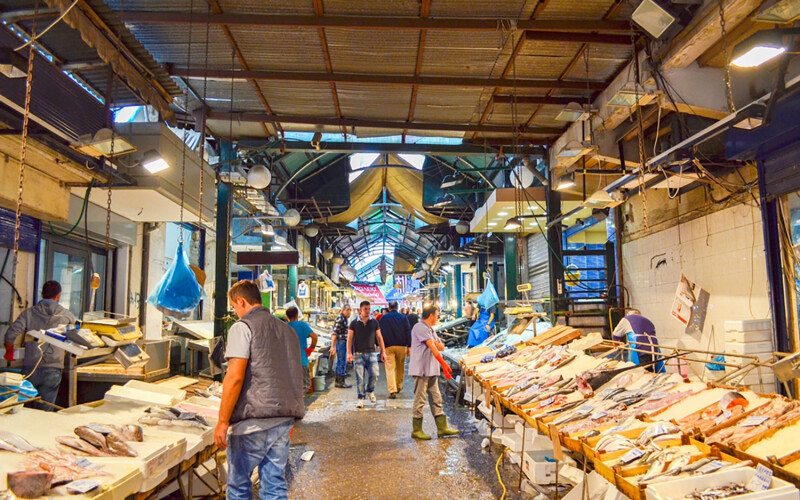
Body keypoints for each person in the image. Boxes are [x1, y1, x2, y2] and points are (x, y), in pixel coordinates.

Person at [214, 280, 305, 500]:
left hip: (253, 423)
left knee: (239, 488)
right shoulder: (288, 330)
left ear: (241, 301)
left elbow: (235, 377)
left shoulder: (242, 327)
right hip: (283, 420)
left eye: (234, 308)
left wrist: (223, 421)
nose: (235, 313)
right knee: (274, 487)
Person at [4, 281, 75, 409]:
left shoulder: (29, 313)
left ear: (42, 294)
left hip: (31, 368)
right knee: (45, 410)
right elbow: (75, 338)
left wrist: (9, 351)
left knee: (24, 407)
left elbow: (10, 334)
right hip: (53, 368)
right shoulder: (67, 316)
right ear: (58, 295)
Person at [409, 305, 459, 440]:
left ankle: (442, 428)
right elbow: (433, 347)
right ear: (431, 315)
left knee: (436, 398)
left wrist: (435, 344)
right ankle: (416, 430)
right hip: (421, 370)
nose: (437, 317)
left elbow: (441, 346)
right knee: (420, 399)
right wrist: (444, 363)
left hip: (431, 370)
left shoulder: (431, 329)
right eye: (436, 315)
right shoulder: (419, 327)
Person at [347, 300, 387, 409]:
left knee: (374, 374)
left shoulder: (374, 322)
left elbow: (379, 337)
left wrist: (383, 352)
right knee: (360, 378)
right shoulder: (354, 323)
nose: (368, 311)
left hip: (371, 353)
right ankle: (361, 398)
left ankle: (370, 390)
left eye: (369, 309)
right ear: (360, 310)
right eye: (365, 309)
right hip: (358, 354)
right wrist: (349, 353)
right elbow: (349, 339)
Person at [378, 301, 411, 399]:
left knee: (390, 368)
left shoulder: (383, 318)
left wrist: (380, 346)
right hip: (401, 346)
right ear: (397, 307)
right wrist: (409, 346)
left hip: (388, 346)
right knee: (400, 367)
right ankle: (399, 386)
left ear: (389, 308)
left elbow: (379, 333)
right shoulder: (403, 318)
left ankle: (392, 390)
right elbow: (408, 331)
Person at [286, 306, 318, 394]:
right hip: (301, 361)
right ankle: (298, 400)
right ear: (297, 315)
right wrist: (311, 348)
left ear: (287, 317)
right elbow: (314, 337)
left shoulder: (285, 327)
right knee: (305, 385)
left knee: (291, 386)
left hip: (288, 363)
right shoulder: (302, 325)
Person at [329, 304, 353, 388]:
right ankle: (340, 382)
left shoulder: (344, 319)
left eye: (350, 310)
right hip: (340, 341)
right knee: (341, 361)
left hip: (343, 342)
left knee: (341, 361)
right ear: (342, 310)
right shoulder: (340, 318)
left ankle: (339, 380)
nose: (349, 312)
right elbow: (335, 333)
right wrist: (332, 346)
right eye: (347, 310)